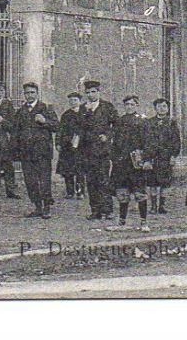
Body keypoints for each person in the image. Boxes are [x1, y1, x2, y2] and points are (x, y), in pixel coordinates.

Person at [12, 81, 58, 218]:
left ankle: (47, 207)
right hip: (26, 152)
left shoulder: (46, 108)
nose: (29, 95)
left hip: (42, 152)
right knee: (30, 182)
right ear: (24, 95)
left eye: (32, 92)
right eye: (27, 93)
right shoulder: (21, 112)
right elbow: (15, 132)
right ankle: (37, 206)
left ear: (37, 93)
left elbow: (57, 126)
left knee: (44, 180)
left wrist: (45, 122)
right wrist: (15, 152)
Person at [107, 94, 152, 232]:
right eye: (127, 104)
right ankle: (122, 221)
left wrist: (145, 159)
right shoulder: (119, 121)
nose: (129, 107)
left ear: (137, 106)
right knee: (122, 193)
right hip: (121, 163)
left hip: (136, 163)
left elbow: (147, 143)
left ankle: (144, 222)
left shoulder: (143, 122)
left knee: (139, 193)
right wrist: (114, 158)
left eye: (132, 104)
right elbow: (114, 142)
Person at [76, 80, 119, 220]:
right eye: (87, 92)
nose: (90, 95)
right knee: (91, 181)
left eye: (93, 92)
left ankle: (107, 210)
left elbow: (116, 125)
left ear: (99, 92)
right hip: (87, 150)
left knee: (103, 180)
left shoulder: (107, 107)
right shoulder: (83, 108)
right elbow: (79, 128)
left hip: (102, 150)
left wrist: (107, 135)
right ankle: (95, 210)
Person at [144, 97, 182, 215]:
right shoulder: (149, 122)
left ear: (168, 108)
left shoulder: (172, 122)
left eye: (164, 106)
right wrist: (147, 158)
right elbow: (146, 140)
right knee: (153, 183)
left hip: (166, 157)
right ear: (155, 108)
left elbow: (176, 140)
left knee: (165, 182)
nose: (162, 108)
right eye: (159, 106)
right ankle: (153, 206)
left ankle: (162, 206)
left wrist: (174, 156)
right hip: (153, 156)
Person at [57, 92, 85, 199]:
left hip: (81, 146)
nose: (73, 102)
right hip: (67, 146)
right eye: (71, 100)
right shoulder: (66, 115)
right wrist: (59, 143)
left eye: (75, 100)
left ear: (80, 101)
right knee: (67, 170)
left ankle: (80, 191)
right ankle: (69, 192)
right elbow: (61, 129)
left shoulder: (84, 113)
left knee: (80, 170)